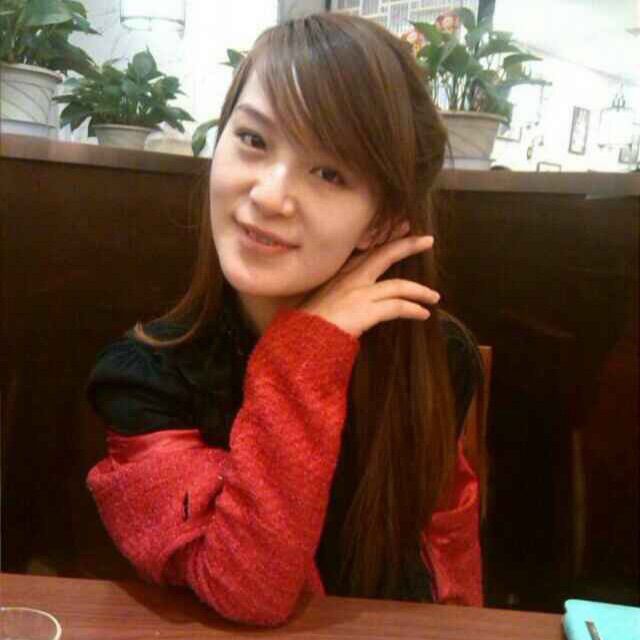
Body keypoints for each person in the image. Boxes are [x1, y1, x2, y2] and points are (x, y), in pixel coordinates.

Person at [85, 12, 485, 627]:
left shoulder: (435, 358)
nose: (269, 195)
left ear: (382, 222)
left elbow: (449, 577)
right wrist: (304, 354)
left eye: (329, 172)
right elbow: (246, 587)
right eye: (253, 139)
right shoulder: (145, 379)